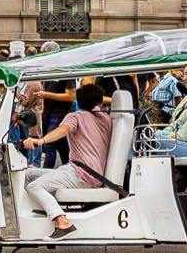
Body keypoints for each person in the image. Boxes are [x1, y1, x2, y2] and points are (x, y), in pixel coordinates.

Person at [15, 81, 117, 237]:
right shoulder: (107, 120)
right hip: (86, 172)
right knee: (27, 174)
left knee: (34, 187)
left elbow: (63, 130)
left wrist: (41, 141)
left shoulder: (76, 116)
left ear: (79, 101)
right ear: (99, 101)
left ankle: (62, 221)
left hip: (80, 174)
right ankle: (40, 213)